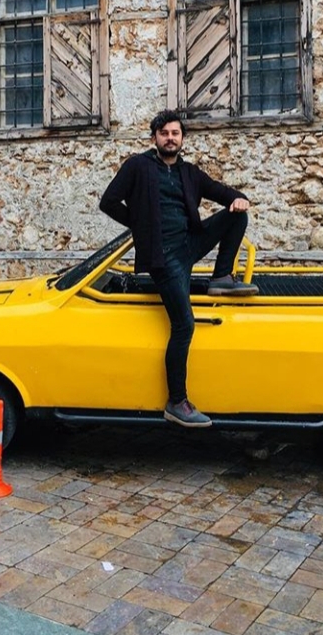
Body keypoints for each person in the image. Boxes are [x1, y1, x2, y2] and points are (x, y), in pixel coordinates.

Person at [99, 110, 259, 428]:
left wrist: (239, 198)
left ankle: (222, 277)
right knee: (184, 325)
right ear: (154, 138)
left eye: (175, 133)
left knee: (236, 215)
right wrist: (141, 225)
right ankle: (176, 402)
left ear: (182, 138)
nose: (170, 138)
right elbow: (109, 202)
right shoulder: (138, 166)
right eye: (164, 133)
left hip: (190, 243)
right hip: (164, 257)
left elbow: (220, 191)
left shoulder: (189, 172)